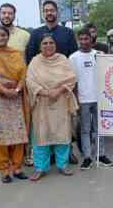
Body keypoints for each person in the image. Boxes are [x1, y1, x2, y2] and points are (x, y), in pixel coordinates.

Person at [0, 25, 30, 184]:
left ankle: (17, 167)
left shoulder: (16, 54)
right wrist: (2, 89)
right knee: (0, 133)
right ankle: (3, 169)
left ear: (8, 37)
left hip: (15, 96)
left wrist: (17, 89)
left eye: (3, 35)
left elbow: (23, 73)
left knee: (18, 131)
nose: (1, 38)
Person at [26, 34, 79, 179]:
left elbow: (71, 78)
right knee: (41, 135)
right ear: (39, 46)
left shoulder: (63, 59)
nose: (48, 45)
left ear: (55, 45)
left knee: (62, 133)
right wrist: (45, 92)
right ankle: (40, 168)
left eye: (51, 43)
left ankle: (63, 165)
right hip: (41, 103)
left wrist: (58, 91)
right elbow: (30, 81)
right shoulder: (35, 61)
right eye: (44, 43)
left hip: (61, 101)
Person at [70, 28, 113, 170]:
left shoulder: (99, 55)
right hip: (83, 99)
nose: (83, 42)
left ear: (91, 39)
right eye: (81, 39)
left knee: (99, 128)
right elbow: (73, 82)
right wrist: (75, 100)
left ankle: (101, 155)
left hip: (99, 98)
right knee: (85, 130)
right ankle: (87, 157)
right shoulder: (73, 58)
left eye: (86, 39)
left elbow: (108, 75)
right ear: (78, 40)